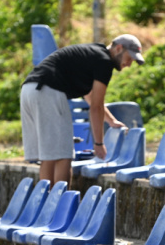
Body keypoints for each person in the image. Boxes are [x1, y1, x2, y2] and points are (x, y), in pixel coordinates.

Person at [20, 34, 145, 186]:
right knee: (63, 155)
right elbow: (96, 106)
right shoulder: (104, 62)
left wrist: (111, 121)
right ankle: (59, 202)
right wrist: (98, 144)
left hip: (29, 90)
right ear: (118, 48)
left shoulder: (92, 53)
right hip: (48, 91)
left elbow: (91, 97)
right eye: (129, 58)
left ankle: (47, 202)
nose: (129, 64)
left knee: (49, 155)